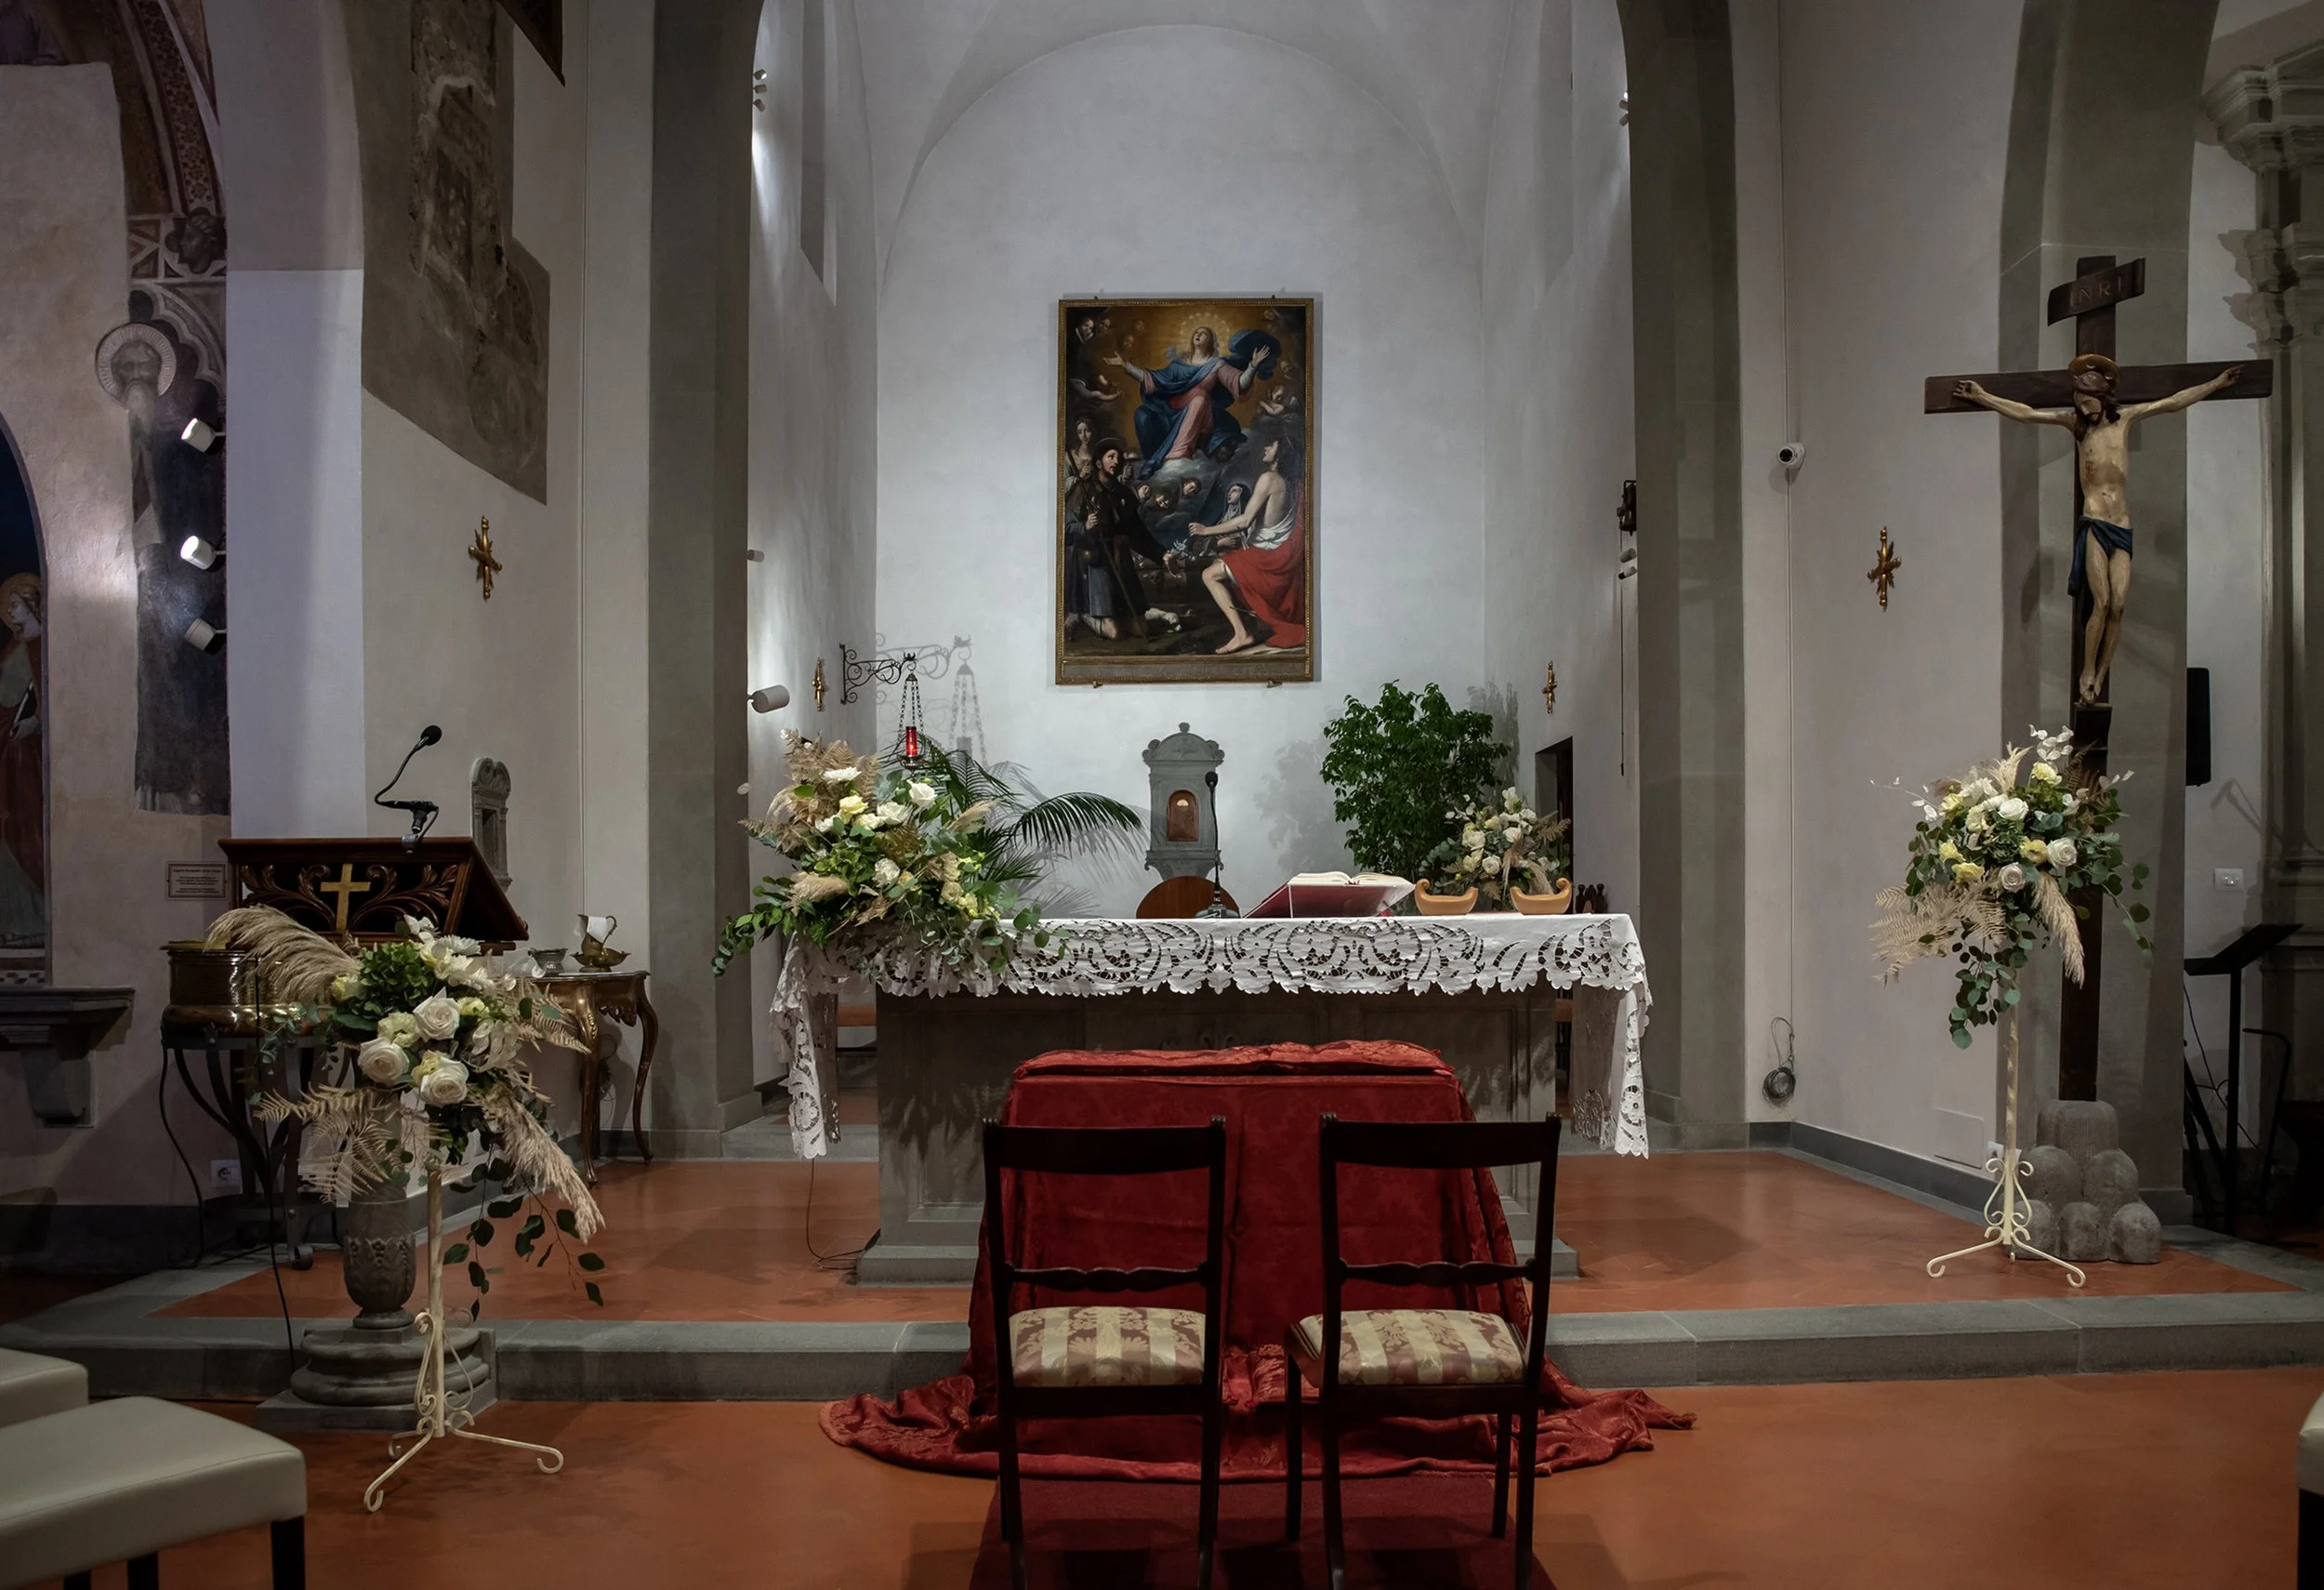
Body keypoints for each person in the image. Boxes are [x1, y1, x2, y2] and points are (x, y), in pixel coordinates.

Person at [1955, 353, 2240, 705]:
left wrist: (2216, 383)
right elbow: (2027, 414)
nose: (2082, 407)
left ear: (2102, 399)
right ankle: (2087, 671)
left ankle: (2102, 675)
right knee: (2101, 601)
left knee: (2119, 605)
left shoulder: (2125, 421)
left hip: (2121, 524)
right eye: (2078, 400)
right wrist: (1983, 396)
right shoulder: (2076, 428)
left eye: (2087, 400)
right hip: (2093, 523)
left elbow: (2172, 402)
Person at [1185, 436, 1306, 654]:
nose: (1267, 446)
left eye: (1272, 444)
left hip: (1267, 556)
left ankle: (1242, 633)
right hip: (1277, 554)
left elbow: (1244, 521)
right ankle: (1249, 628)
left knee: (1209, 575)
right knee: (1223, 567)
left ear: (1282, 452)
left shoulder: (1269, 478)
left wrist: (1206, 530)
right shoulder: (1291, 482)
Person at [1105, 325, 1279, 476]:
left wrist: (1253, 366)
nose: (1198, 334)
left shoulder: (1216, 364)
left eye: (1203, 333)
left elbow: (1239, 384)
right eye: (1196, 332)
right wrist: (1125, 366)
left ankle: (1180, 454)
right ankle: (1154, 461)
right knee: (1142, 414)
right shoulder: (1177, 366)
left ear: (1210, 341)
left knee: (1199, 396)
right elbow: (1152, 379)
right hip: (1173, 414)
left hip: (1202, 417)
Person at [1063, 439, 1169, 641]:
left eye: (1118, 457)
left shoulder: (1123, 493)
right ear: (1099, 463)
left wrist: (1162, 554)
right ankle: (1083, 616)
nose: (1116, 461)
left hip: (1120, 558)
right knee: (1114, 633)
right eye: (1110, 457)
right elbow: (1066, 530)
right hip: (1094, 560)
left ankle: (1121, 617)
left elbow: (1137, 530)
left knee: (1141, 629)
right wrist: (1085, 527)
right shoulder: (1082, 490)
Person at [0, 573, 44, 940]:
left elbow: (50, 700)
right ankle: (13, 923)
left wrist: (35, 723)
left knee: (24, 826)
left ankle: (32, 921)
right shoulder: (14, 646)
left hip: (25, 751)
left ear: (31, 606)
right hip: (6, 744)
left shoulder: (43, 646)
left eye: (15, 605)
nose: (11, 612)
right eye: (9, 606)